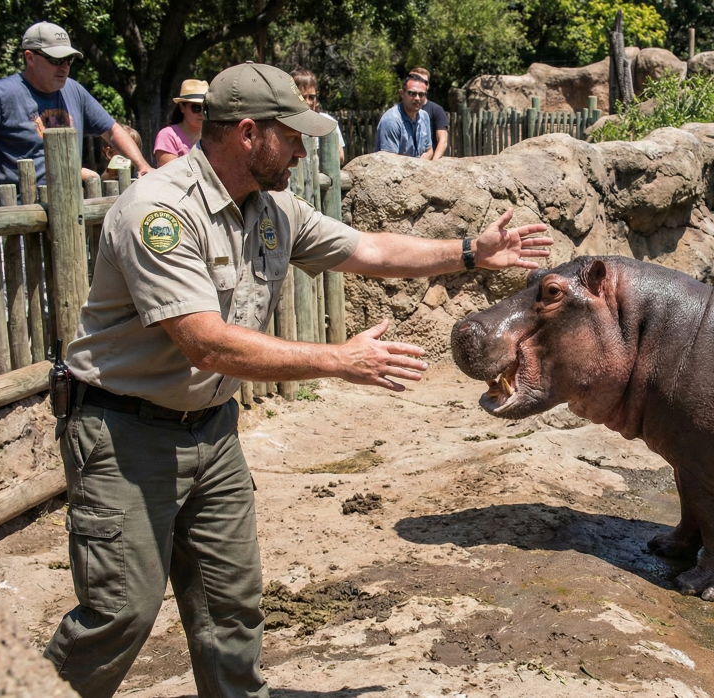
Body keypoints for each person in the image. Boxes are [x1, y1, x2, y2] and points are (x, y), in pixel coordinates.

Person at [41, 62, 550, 698]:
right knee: (120, 613)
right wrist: (338, 360)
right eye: (294, 134)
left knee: (232, 606)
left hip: (212, 434)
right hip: (123, 435)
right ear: (248, 133)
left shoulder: (273, 207)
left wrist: (471, 252)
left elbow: (368, 250)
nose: (306, 148)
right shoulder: (158, 211)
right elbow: (203, 340)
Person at [0, 21, 153, 186]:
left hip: (68, 213)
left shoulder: (74, 91)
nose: (64, 67)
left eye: (68, 60)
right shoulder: (2, 94)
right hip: (16, 218)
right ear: (30, 58)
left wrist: (142, 166)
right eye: (55, 59)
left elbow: (113, 130)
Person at [291, 68, 345, 164]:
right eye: (302, 97)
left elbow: (340, 157)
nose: (308, 102)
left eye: (311, 97)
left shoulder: (327, 122)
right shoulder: (287, 125)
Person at [375, 74, 432, 158]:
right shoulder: (392, 120)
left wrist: (420, 164)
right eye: (412, 93)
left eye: (421, 94)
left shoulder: (424, 116)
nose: (417, 98)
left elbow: (429, 151)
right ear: (402, 93)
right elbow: (389, 159)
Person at [153, 79, 208, 166]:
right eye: (196, 108)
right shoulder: (168, 136)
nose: (201, 113)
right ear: (182, 107)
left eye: (205, 108)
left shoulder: (213, 136)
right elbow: (170, 172)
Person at [407, 67, 450, 160]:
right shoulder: (398, 112)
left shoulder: (436, 110)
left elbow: (442, 140)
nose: (419, 84)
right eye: (415, 80)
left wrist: (433, 164)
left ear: (428, 86)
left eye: (423, 82)